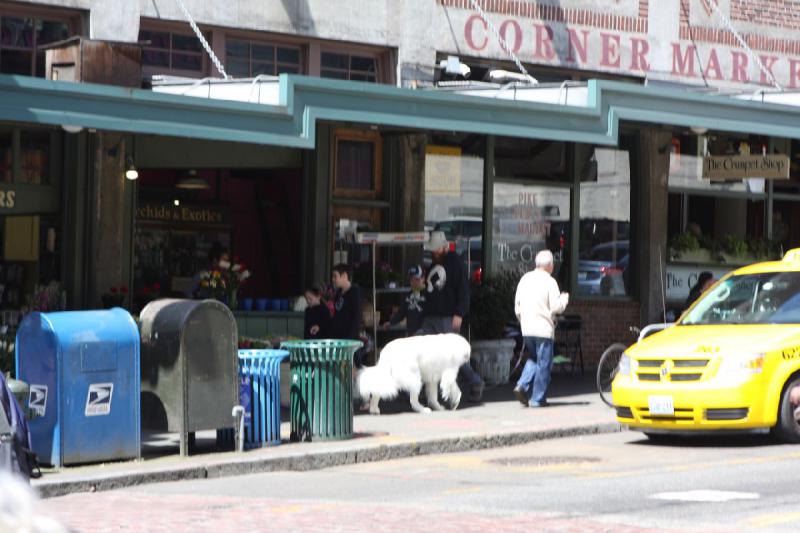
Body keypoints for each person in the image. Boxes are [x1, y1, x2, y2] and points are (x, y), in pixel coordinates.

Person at [420, 231, 484, 402]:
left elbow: (463, 290)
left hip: (447, 315)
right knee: (433, 354)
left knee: (452, 355)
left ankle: (473, 382)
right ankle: (433, 389)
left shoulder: (455, 263)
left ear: (443, 247)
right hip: (432, 314)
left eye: (435, 250)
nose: (433, 253)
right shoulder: (436, 262)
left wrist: (459, 313)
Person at [512, 249, 569, 408]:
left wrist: (523, 320)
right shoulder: (550, 282)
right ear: (550, 265)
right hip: (543, 329)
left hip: (527, 328)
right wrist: (564, 299)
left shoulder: (525, 279)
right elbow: (556, 307)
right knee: (544, 364)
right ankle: (537, 399)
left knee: (535, 359)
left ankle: (522, 385)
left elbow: (517, 307)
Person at [329, 263, 365, 365]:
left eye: (335, 276)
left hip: (349, 339)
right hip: (337, 339)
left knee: (353, 368)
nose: (333, 279)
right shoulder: (338, 294)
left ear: (344, 275)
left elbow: (357, 317)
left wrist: (350, 339)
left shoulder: (355, 292)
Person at [381, 265, 426, 336]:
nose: (413, 282)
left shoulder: (428, 294)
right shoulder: (408, 295)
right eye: (411, 279)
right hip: (410, 332)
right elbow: (402, 312)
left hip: (424, 333)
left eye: (416, 279)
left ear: (423, 278)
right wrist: (391, 322)